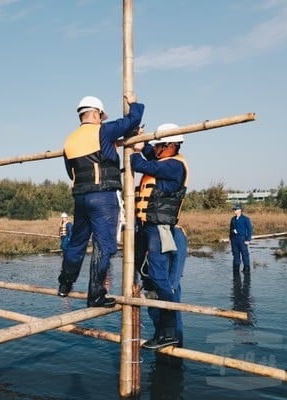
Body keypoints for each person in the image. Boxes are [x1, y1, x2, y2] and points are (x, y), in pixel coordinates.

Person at [57, 93, 144, 308]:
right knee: (104, 246)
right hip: (103, 196)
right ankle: (95, 294)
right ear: (96, 114)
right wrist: (133, 103)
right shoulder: (103, 131)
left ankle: (64, 284)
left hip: (81, 197)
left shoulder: (69, 140)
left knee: (77, 243)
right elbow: (133, 120)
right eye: (101, 116)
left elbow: (72, 173)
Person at [130, 123, 189, 350]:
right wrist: (139, 138)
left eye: (159, 146)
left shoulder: (173, 166)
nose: (155, 149)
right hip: (147, 228)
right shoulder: (163, 161)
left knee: (160, 277)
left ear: (171, 145)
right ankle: (162, 333)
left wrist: (135, 150)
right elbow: (147, 153)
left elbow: (138, 161)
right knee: (149, 278)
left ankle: (170, 333)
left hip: (160, 228)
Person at [230, 204, 252, 273]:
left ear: (240, 210)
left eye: (235, 209)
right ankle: (236, 269)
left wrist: (248, 239)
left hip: (242, 239)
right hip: (234, 239)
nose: (234, 210)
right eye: (234, 209)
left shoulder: (245, 219)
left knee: (244, 254)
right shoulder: (233, 219)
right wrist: (230, 239)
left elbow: (249, 230)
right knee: (235, 254)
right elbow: (230, 229)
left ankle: (246, 268)